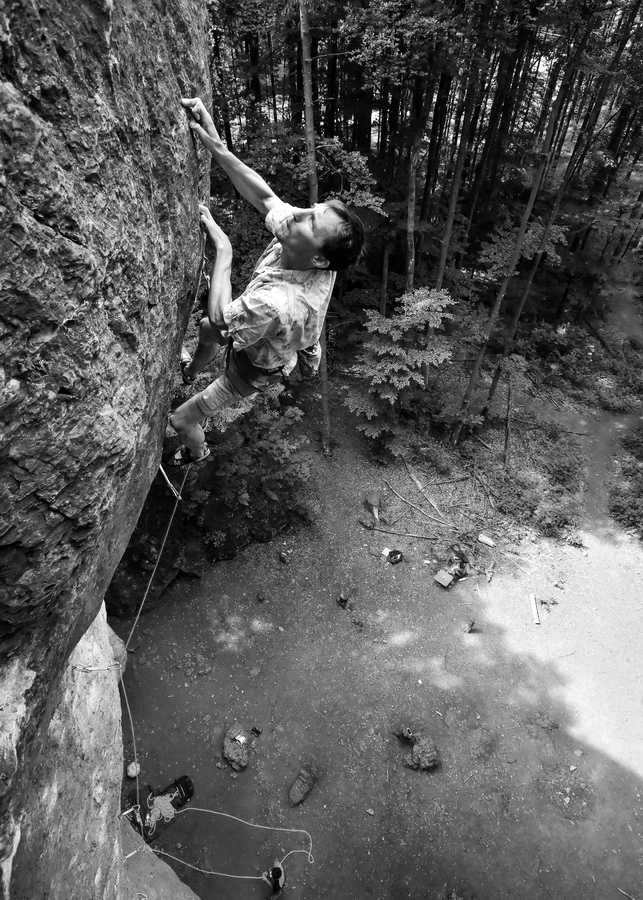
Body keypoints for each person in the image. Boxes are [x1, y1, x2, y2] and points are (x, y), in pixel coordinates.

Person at [168, 97, 366, 466]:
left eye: (310, 220)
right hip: (277, 338)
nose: (298, 213)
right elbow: (263, 195)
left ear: (320, 258)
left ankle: (195, 452)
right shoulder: (310, 248)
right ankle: (191, 370)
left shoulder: (279, 301)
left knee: (181, 417)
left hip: (255, 371)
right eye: (312, 208)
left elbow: (220, 320)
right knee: (207, 332)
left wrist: (223, 249)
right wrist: (213, 141)